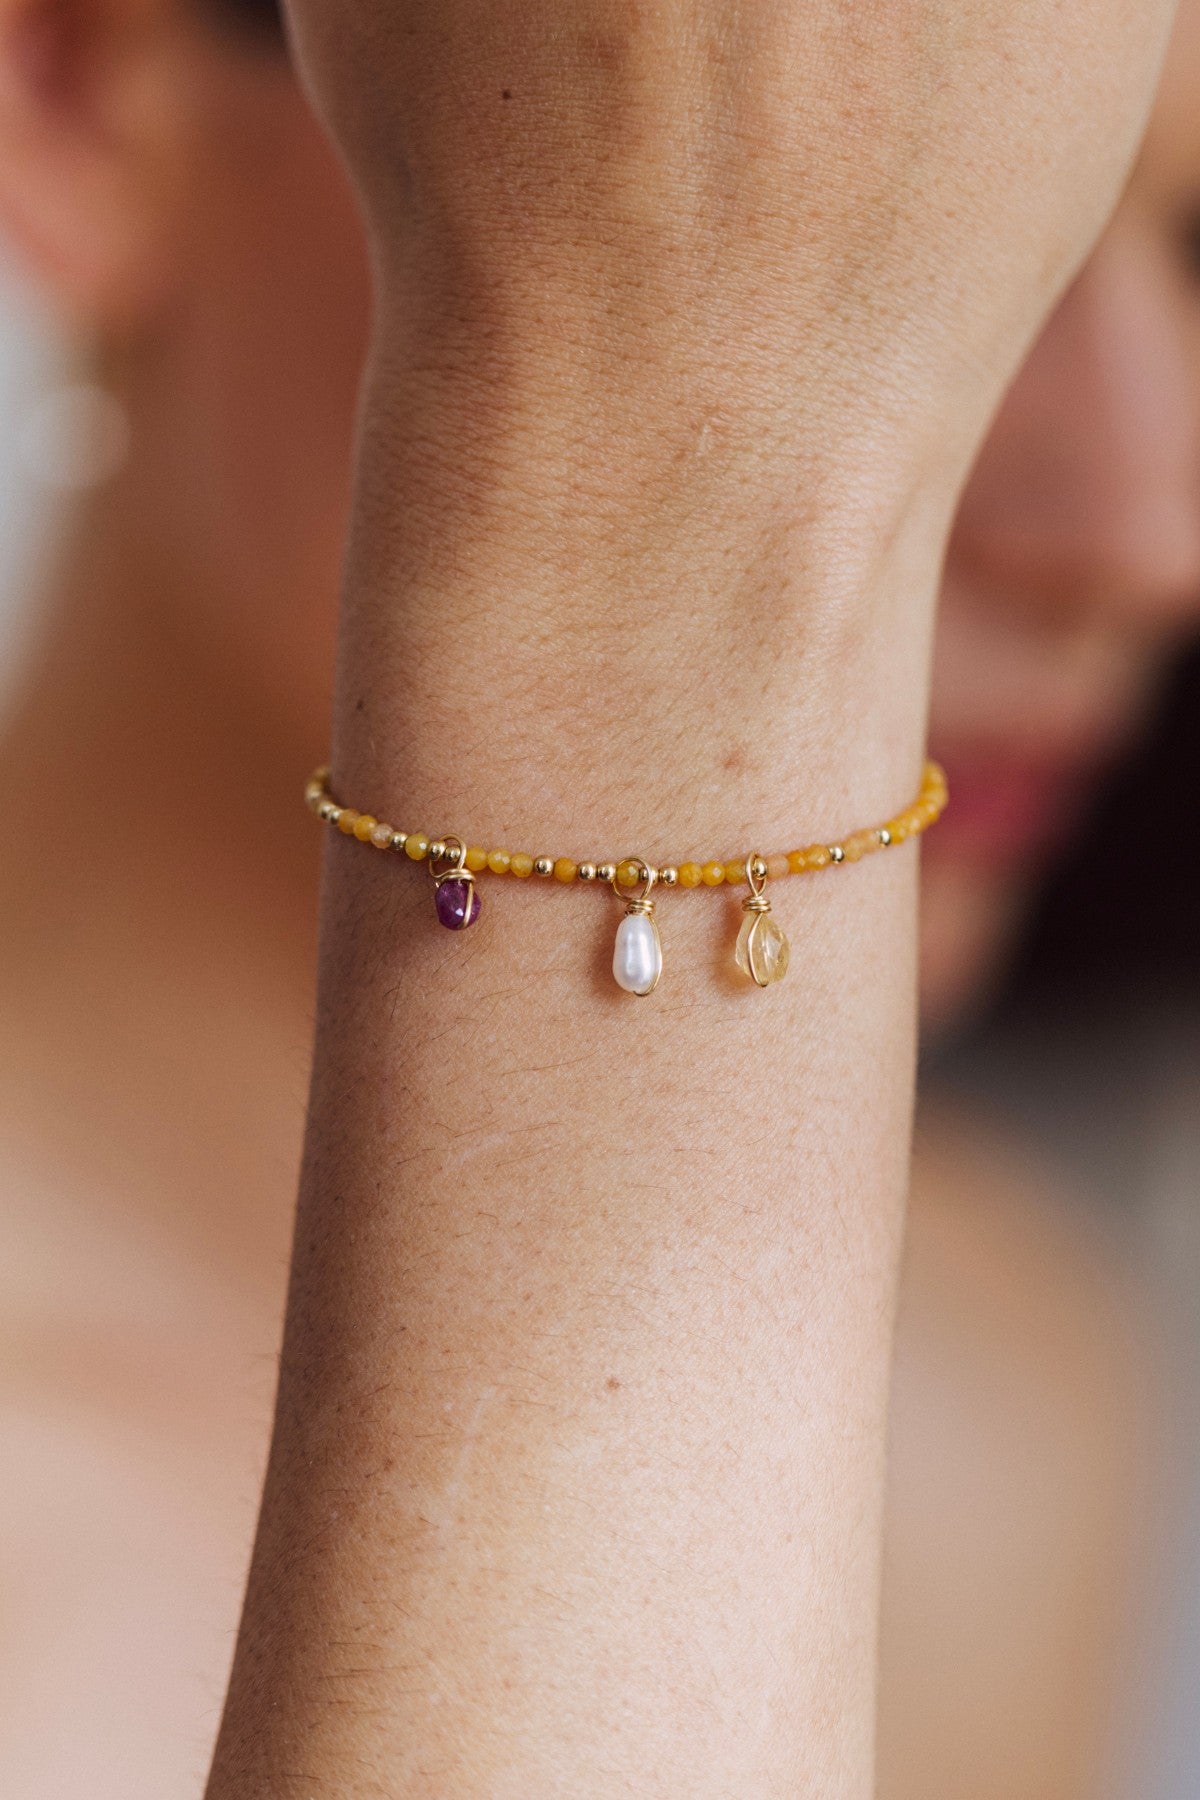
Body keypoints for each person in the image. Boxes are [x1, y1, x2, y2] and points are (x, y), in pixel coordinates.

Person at [0, 0, 1192, 1793]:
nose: (1138, 530)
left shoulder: (984, 1408)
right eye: (841, 219)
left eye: (1194, 253)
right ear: (85, 92)